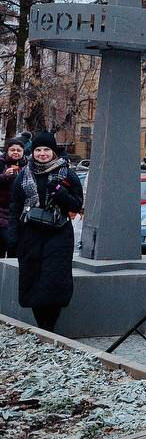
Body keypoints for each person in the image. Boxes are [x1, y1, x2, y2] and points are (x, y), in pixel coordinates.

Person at [8, 133, 82, 332]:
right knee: (32, 280)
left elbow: (77, 204)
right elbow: (15, 206)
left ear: (53, 152)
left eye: (46, 150)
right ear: (33, 152)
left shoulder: (67, 174)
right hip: (30, 235)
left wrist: (61, 193)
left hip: (58, 234)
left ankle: (50, 327)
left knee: (54, 280)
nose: (42, 154)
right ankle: (42, 328)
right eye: (39, 150)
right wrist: (13, 235)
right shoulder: (24, 174)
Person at [0, 137, 28, 258]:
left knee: (15, 245)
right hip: (2, 210)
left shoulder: (28, 165)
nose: (16, 152)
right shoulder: (1, 163)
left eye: (19, 150)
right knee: (3, 241)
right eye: (12, 150)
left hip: (19, 211)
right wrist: (3, 176)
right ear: (7, 151)